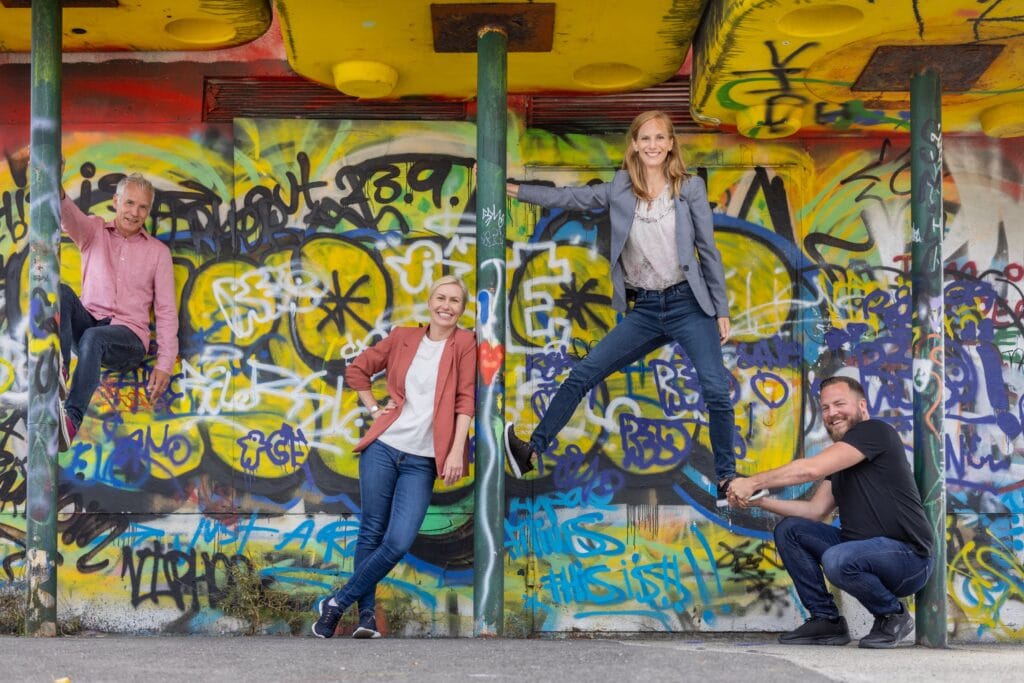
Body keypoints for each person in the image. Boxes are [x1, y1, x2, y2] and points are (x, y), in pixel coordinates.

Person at [502, 109, 763, 506]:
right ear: (635, 145)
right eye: (645, 139)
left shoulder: (688, 189)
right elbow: (569, 198)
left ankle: (726, 479)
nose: (653, 145)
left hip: (689, 304)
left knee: (715, 390)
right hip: (645, 309)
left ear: (671, 143)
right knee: (584, 373)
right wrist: (517, 191)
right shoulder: (621, 188)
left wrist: (721, 308)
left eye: (660, 138)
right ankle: (532, 450)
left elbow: (708, 250)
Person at [312, 275, 475, 639]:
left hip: (422, 460)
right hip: (384, 448)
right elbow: (357, 370)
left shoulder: (465, 343)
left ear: (462, 309)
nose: (446, 306)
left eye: (455, 301)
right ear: (430, 301)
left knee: (398, 540)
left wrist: (454, 451)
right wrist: (374, 408)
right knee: (371, 532)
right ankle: (366, 616)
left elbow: (466, 400)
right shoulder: (403, 336)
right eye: (441, 298)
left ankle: (336, 603)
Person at [729, 376, 934, 649]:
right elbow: (814, 511)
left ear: (862, 406)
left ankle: (892, 615)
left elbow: (810, 469)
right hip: (859, 553)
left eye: (839, 404)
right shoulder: (841, 461)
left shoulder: (875, 432)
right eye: (825, 407)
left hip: (909, 559)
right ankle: (826, 620)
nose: (832, 413)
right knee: (791, 530)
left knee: (838, 558)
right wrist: (759, 500)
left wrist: (753, 481)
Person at [58, 171, 179, 451]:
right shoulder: (93, 232)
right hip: (89, 325)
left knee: (94, 338)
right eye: (129, 203)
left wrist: (165, 363)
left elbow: (165, 310)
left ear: (147, 211)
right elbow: (67, 212)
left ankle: (72, 420)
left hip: (129, 339)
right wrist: (53, 176)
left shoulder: (158, 253)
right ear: (116, 201)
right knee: (62, 292)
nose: (134, 213)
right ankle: (59, 371)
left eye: (142, 207)